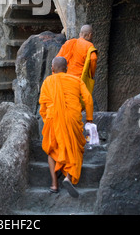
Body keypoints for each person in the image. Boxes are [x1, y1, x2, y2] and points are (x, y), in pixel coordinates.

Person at [39, 56, 94, 197]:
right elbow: (87, 99)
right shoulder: (76, 80)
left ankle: (54, 184)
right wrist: (89, 119)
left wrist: (48, 119)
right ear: (67, 68)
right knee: (74, 147)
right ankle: (68, 177)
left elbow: (43, 106)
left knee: (52, 150)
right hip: (73, 119)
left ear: (52, 69)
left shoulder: (47, 81)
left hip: (53, 119)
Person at [56, 24, 98, 96]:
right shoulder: (89, 46)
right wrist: (91, 74)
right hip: (78, 80)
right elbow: (93, 58)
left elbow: (57, 59)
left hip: (64, 78)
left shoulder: (69, 42)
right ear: (90, 35)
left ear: (80, 34)